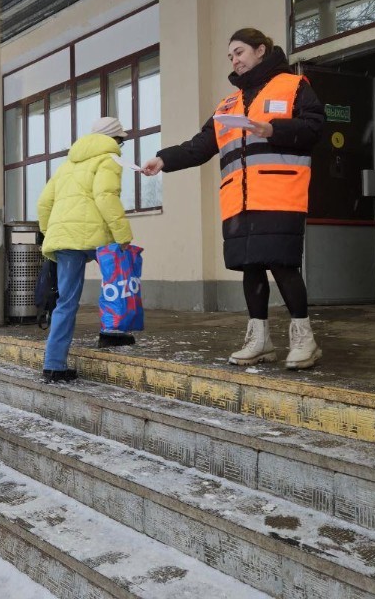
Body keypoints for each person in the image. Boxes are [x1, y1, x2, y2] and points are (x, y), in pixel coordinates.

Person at [141, 28, 325, 369]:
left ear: (261, 50)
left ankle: (304, 340)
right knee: (250, 267)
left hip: (279, 194)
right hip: (238, 201)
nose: (234, 60)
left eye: (239, 52)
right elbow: (201, 146)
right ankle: (260, 340)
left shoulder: (294, 86)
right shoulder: (228, 104)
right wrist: (164, 160)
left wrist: (273, 129)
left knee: (283, 265)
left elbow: (315, 128)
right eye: (230, 56)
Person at [37, 116, 133, 382]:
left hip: (66, 239)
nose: (122, 146)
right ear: (114, 139)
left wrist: (51, 232)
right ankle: (112, 333)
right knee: (117, 279)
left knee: (65, 302)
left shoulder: (67, 164)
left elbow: (44, 203)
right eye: (121, 140)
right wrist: (123, 235)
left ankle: (53, 365)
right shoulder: (109, 159)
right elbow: (105, 197)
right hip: (97, 236)